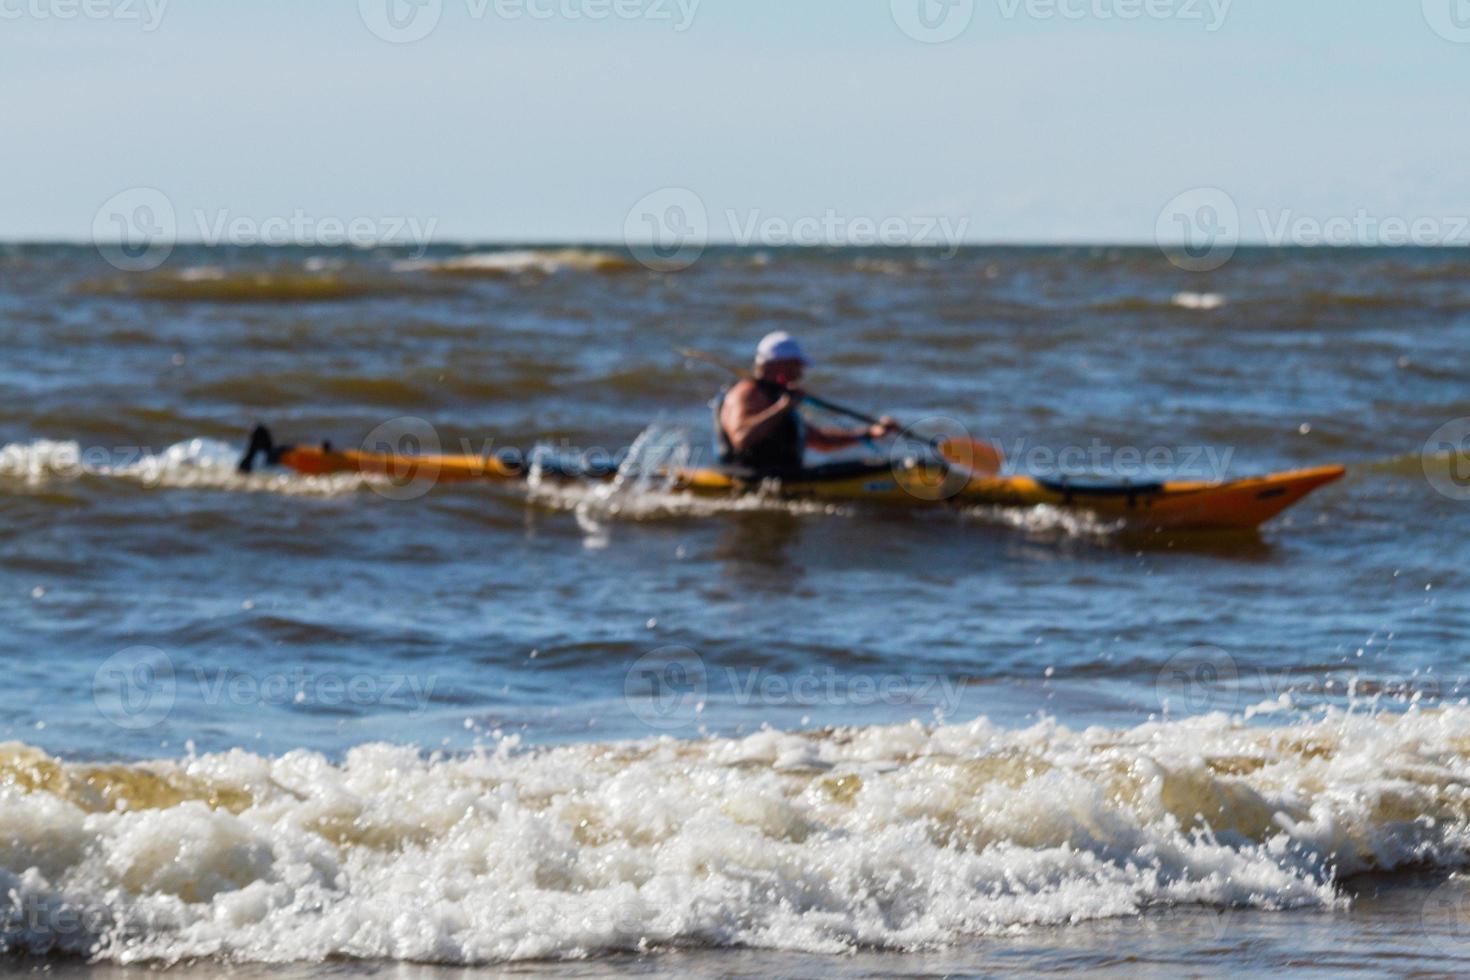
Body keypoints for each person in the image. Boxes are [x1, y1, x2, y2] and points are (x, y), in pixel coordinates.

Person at [715, 332, 898, 474]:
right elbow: (741, 438)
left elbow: (820, 441)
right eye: (796, 366)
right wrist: (781, 409)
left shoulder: (778, 396)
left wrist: (871, 433)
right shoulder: (747, 393)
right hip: (750, 476)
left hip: (785, 474)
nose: (800, 374)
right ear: (779, 365)